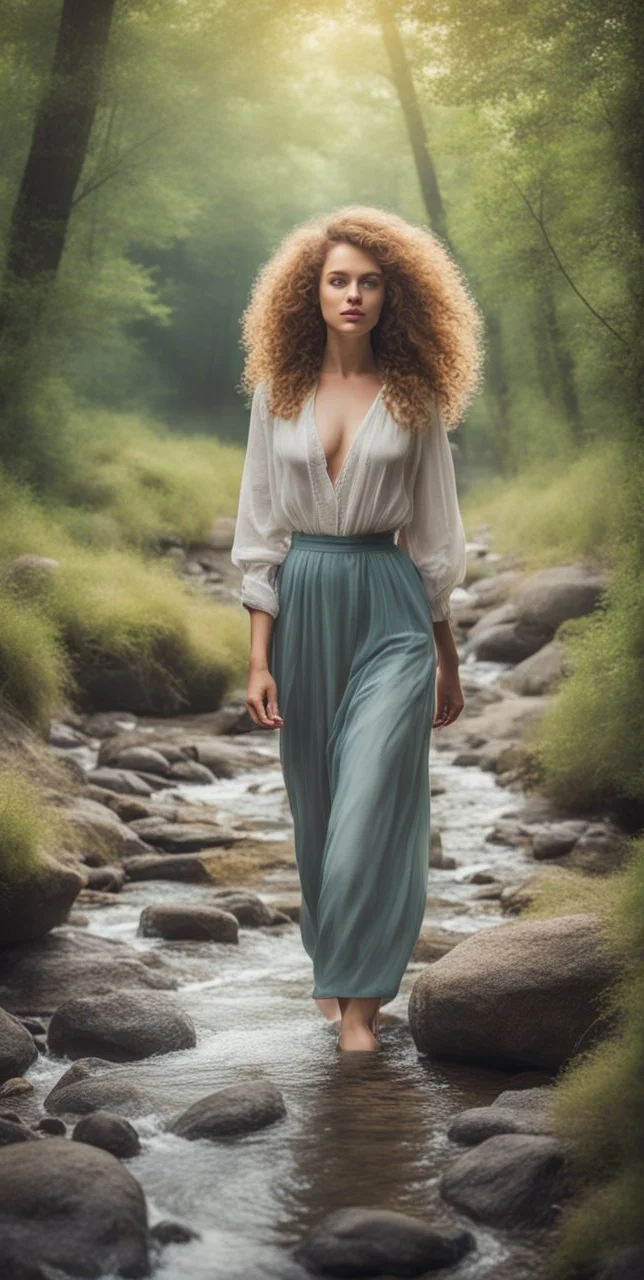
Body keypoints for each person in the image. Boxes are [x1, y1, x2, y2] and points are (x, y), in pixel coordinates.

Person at [231, 205, 484, 1053]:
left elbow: (435, 537)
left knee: (376, 800)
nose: (353, 294)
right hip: (304, 600)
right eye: (338, 279)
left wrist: (447, 658)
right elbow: (261, 533)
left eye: (369, 281)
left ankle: (362, 1006)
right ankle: (336, 968)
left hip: (392, 608)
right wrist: (257, 659)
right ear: (311, 293)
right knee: (319, 808)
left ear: (392, 296)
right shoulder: (279, 393)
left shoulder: (415, 397)